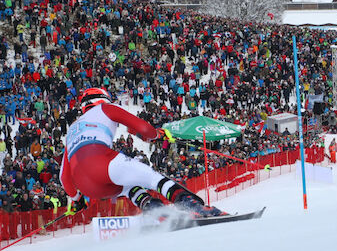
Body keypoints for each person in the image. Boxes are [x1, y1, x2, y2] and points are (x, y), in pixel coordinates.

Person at [60, 88, 225, 217]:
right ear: (103, 99)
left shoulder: (72, 130)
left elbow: (64, 178)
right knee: (153, 178)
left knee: (129, 186)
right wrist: (156, 135)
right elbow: (144, 128)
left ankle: (157, 212)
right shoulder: (105, 108)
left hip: (87, 186)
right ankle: (193, 206)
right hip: (99, 161)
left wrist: (77, 200)